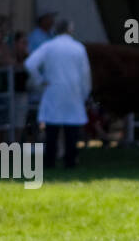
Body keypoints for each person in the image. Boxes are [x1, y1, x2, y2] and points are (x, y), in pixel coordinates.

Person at [24, 17, 91, 169]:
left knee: (51, 130)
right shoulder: (78, 48)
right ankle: (70, 162)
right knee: (72, 129)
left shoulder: (49, 46)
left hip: (53, 90)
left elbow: (30, 64)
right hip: (73, 92)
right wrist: (85, 93)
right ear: (70, 30)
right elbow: (85, 74)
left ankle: (50, 162)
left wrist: (40, 81)